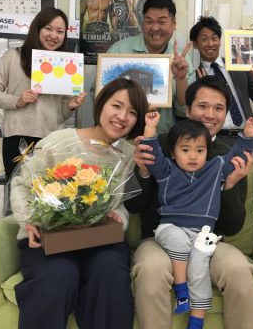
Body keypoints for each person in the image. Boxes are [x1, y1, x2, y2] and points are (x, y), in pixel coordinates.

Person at [10, 78, 149, 329]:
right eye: (116, 106)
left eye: (132, 112)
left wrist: (120, 219)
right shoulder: (59, 141)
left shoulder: (128, 155)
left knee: (110, 273)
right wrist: (28, 221)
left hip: (100, 240)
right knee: (58, 277)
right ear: (101, 104)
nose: (122, 117)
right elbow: (21, 185)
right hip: (49, 236)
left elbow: (120, 203)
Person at [125, 76, 253, 329]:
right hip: (159, 238)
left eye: (218, 108)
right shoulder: (159, 147)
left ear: (225, 115)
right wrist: (142, 172)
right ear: (187, 110)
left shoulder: (226, 158)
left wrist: (229, 185)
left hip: (208, 239)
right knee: (151, 270)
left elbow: (232, 227)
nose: (210, 114)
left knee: (238, 271)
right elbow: (133, 206)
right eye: (202, 106)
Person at [0, 7, 86, 180]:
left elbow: (60, 114)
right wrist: (18, 100)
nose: (54, 35)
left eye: (60, 31)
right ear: (36, 29)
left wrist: (70, 106)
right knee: (18, 189)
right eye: (48, 28)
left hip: (51, 139)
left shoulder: (65, 65)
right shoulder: (13, 56)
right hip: (16, 137)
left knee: (50, 191)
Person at [189, 16, 253, 212]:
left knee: (250, 192)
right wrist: (200, 85)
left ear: (220, 40)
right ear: (195, 44)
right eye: (204, 39)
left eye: (214, 38)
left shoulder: (238, 64)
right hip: (218, 140)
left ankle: (250, 227)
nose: (210, 43)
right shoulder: (193, 74)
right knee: (223, 190)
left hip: (247, 137)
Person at [108, 0, 195, 133]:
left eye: (162, 22)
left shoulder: (182, 60)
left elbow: (184, 112)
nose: (155, 28)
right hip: (121, 136)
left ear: (174, 24)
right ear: (142, 23)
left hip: (163, 139)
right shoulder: (118, 51)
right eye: (149, 21)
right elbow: (101, 98)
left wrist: (181, 79)